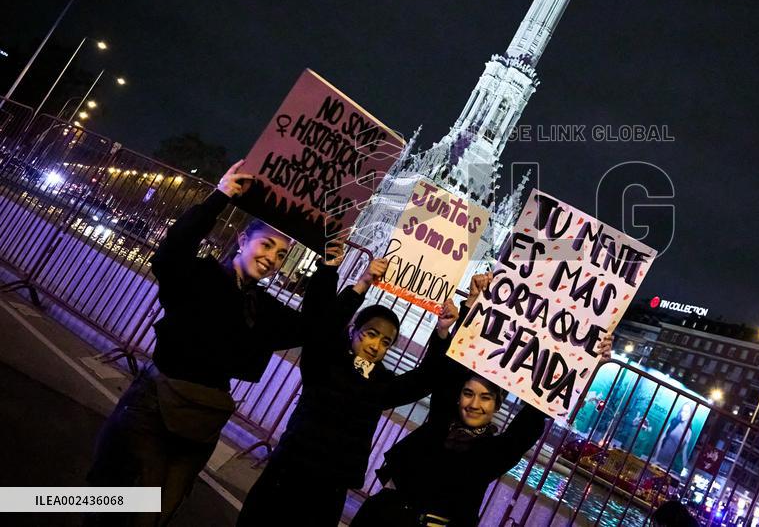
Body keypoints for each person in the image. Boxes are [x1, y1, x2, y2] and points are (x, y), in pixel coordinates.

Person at [84, 160, 336, 526]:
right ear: (242, 240)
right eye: (267, 245)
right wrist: (219, 197)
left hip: (202, 421)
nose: (272, 259)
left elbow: (313, 328)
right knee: (115, 502)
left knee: (158, 513)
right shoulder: (199, 275)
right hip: (153, 406)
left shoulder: (263, 307)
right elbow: (169, 255)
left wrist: (328, 271)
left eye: (282, 254)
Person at [352, 273, 614, 527]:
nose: (474, 404)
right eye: (468, 394)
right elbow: (451, 367)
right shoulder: (442, 418)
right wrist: (471, 305)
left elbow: (535, 412)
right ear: (458, 397)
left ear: (497, 405)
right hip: (382, 518)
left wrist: (588, 361)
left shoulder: (496, 451)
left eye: (485, 398)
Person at [236, 259, 459, 526]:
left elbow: (425, 380)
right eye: (371, 334)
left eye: (385, 342)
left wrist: (442, 331)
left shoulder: (382, 384)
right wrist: (360, 285)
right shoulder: (323, 362)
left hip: (332, 487)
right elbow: (321, 329)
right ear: (353, 331)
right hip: (289, 471)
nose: (376, 346)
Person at [652, 401, 694, 471]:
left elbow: (684, 451)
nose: (683, 413)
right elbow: (661, 439)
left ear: (691, 414)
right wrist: (656, 456)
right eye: (682, 411)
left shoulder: (689, 432)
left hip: (669, 462)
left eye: (686, 412)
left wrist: (686, 467)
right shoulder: (674, 422)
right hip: (659, 456)